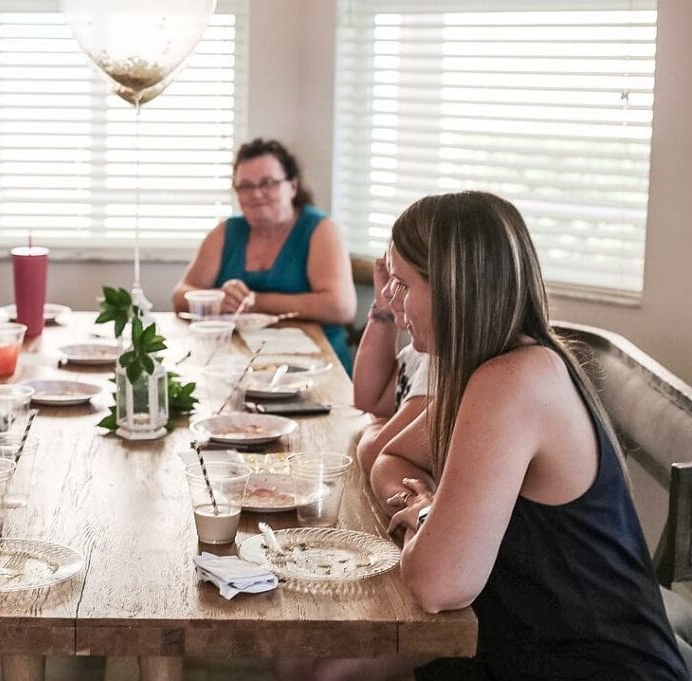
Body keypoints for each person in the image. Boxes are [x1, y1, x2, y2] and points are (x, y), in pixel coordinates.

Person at [284, 191, 688, 680]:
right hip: (512, 627)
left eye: (402, 283)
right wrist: (428, 509)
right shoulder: (482, 368)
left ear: (453, 288)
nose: (388, 299)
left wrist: (430, 513)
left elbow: (436, 584)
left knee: (323, 667)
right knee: (304, 655)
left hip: (586, 660)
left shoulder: (515, 381)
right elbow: (385, 455)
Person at [171, 138, 357, 372]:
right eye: (245, 186)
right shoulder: (225, 231)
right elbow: (180, 294)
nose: (256, 194)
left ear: (292, 186)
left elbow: (340, 307)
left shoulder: (321, 229)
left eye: (268, 183)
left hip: (317, 364)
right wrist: (218, 297)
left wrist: (254, 301)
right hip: (236, 362)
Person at [352, 247, 431, 516]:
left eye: (401, 283)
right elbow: (369, 400)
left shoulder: (439, 362)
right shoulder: (419, 354)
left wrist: (374, 428)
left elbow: (375, 451)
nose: (387, 292)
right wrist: (383, 310)